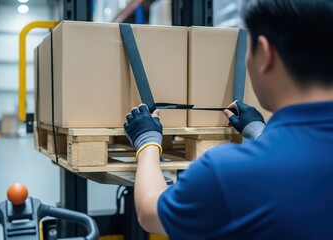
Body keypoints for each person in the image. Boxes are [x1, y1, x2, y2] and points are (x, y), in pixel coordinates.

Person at [123, 0, 333, 239]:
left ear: (264, 53)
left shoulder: (227, 173)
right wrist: (261, 134)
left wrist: (148, 143)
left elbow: (151, 212)